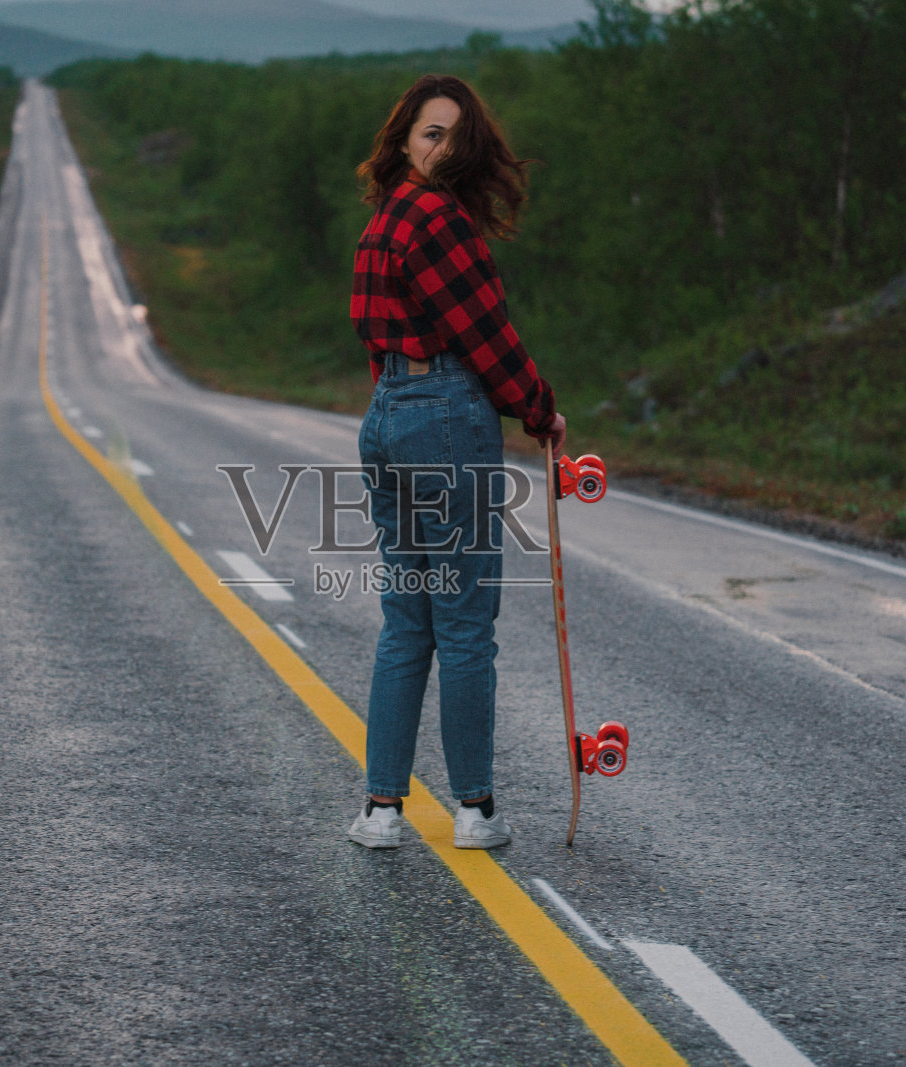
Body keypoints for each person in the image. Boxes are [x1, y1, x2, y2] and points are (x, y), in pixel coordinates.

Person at [347, 74, 565, 850]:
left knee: (407, 622)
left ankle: (381, 813)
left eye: (453, 136)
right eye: (429, 131)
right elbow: (488, 337)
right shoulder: (437, 221)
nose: (442, 145)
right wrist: (540, 409)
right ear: (404, 134)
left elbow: (375, 338)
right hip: (443, 412)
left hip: (385, 416)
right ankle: (474, 810)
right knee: (465, 623)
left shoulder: (383, 221)